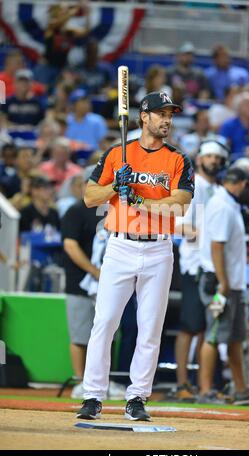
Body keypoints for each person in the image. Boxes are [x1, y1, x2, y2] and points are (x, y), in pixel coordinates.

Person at [77, 91, 194, 421]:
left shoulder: (178, 159)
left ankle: (138, 397)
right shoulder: (117, 153)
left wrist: (140, 201)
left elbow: (181, 203)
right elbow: (89, 197)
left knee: (150, 328)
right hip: (121, 246)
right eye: (161, 114)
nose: (167, 120)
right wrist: (116, 186)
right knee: (105, 322)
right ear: (144, 117)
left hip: (159, 248)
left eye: (170, 114)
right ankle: (93, 395)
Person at [174, 138, 228, 400]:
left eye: (217, 158)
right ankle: (183, 383)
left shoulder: (219, 190)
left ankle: (203, 383)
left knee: (208, 327)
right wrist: (203, 236)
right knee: (189, 326)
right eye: (209, 157)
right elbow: (177, 225)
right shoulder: (192, 188)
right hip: (193, 266)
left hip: (212, 268)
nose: (214, 162)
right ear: (200, 160)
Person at [199, 167, 249, 404]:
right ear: (241, 184)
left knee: (234, 337)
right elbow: (216, 246)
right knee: (213, 334)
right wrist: (223, 283)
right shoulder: (222, 206)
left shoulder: (228, 203)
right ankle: (204, 391)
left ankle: (241, 388)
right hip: (219, 285)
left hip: (231, 284)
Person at [61, 168, 101, 399]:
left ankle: (96, 381)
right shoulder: (76, 211)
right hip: (80, 282)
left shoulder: (109, 210)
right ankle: (79, 381)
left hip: (104, 284)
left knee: (103, 334)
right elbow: (70, 245)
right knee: (80, 335)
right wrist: (94, 271)